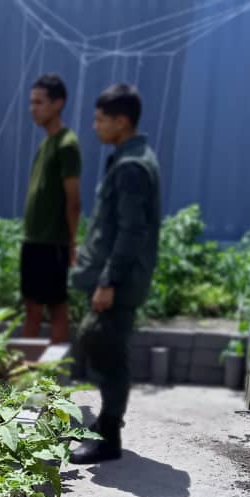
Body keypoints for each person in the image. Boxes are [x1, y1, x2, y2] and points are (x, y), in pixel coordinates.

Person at [70, 83, 162, 465]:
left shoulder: (131, 167)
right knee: (101, 345)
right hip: (118, 274)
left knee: (108, 352)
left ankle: (109, 438)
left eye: (100, 119)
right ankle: (104, 429)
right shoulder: (131, 157)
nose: (94, 127)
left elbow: (131, 232)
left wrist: (107, 281)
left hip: (120, 280)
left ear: (121, 122)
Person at [21, 74, 82, 342]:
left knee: (56, 306)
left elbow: (73, 200)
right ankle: (26, 376)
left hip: (53, 241)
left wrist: (72, 242)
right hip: (32, 240)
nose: (33, 108)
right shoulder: (44, 144)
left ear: (58, 104)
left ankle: (56, 375)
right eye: (31, 102)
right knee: (31, 307)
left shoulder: (67, 145)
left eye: (39, 102)